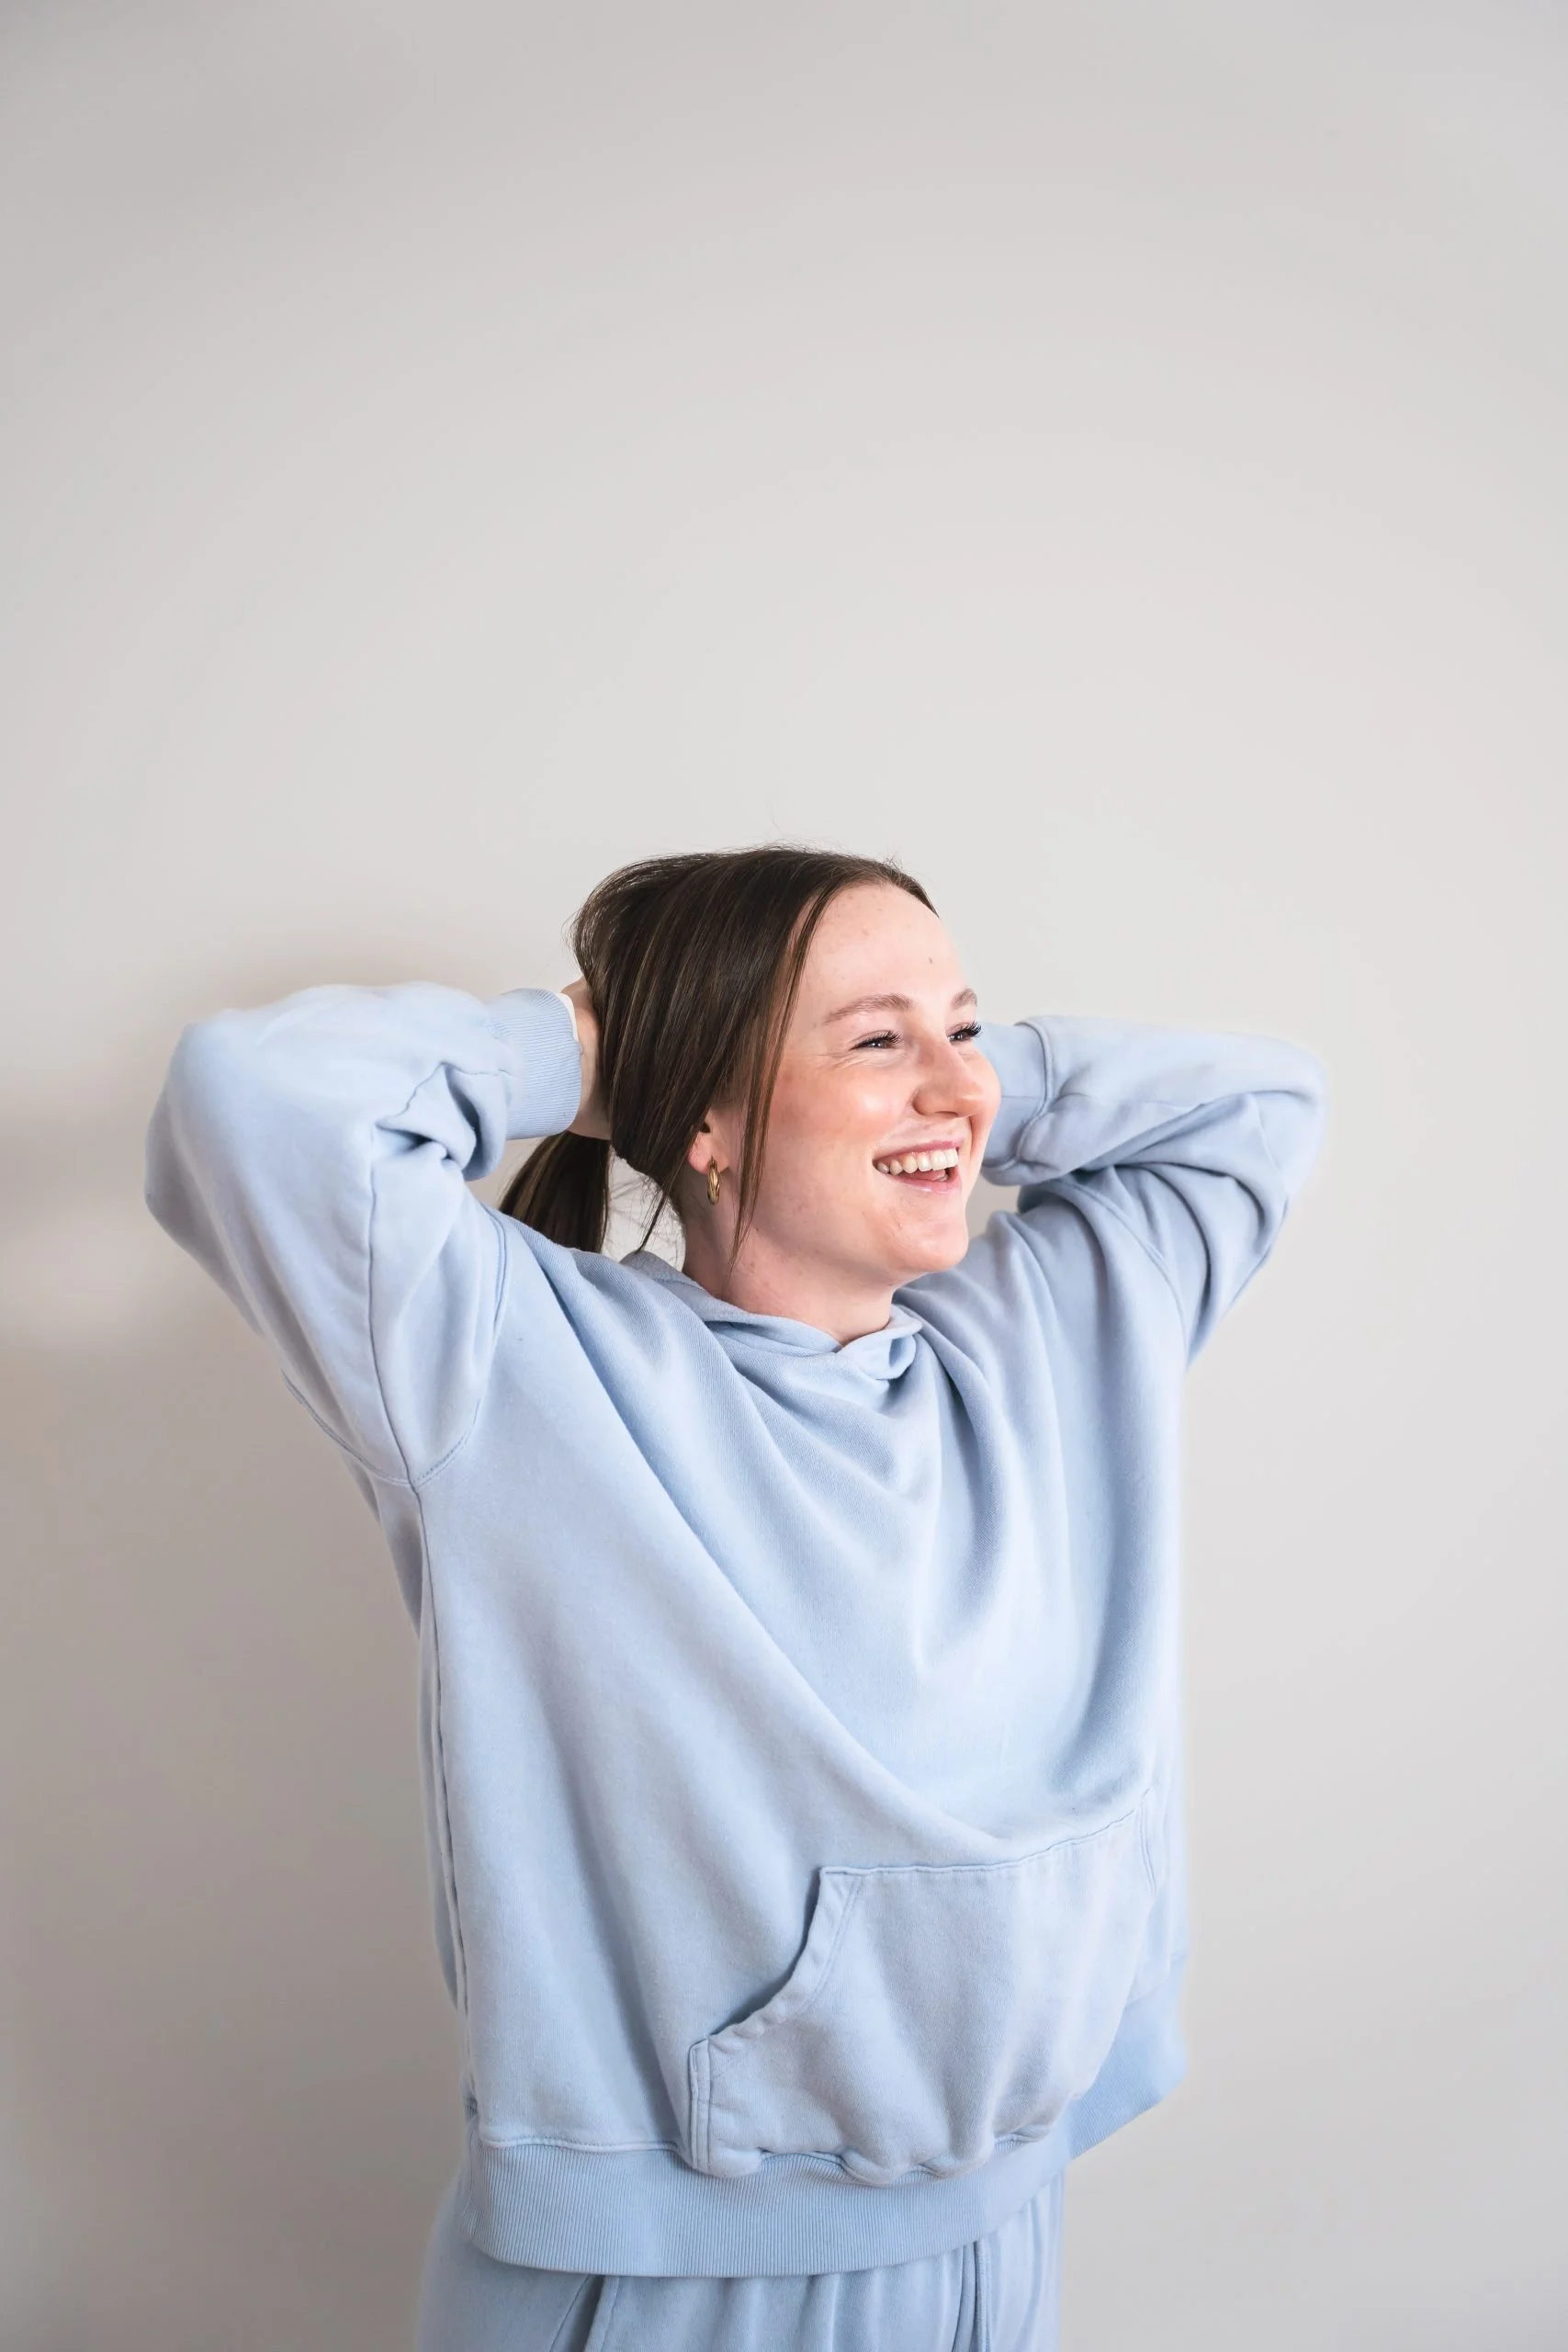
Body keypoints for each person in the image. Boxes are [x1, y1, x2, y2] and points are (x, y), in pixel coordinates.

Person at [144, 842, 1327, 2350]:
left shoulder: (1059, 1326)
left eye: (962, 1026)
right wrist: (614, 1049)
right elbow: (251, 1101)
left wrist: (939, 1079)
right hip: (671, 2273)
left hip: (1001, 2229)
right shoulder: (513, 1366)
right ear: (702, 1119)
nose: (960, 1092)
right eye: (875, 1039)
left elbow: (1258, 1107)